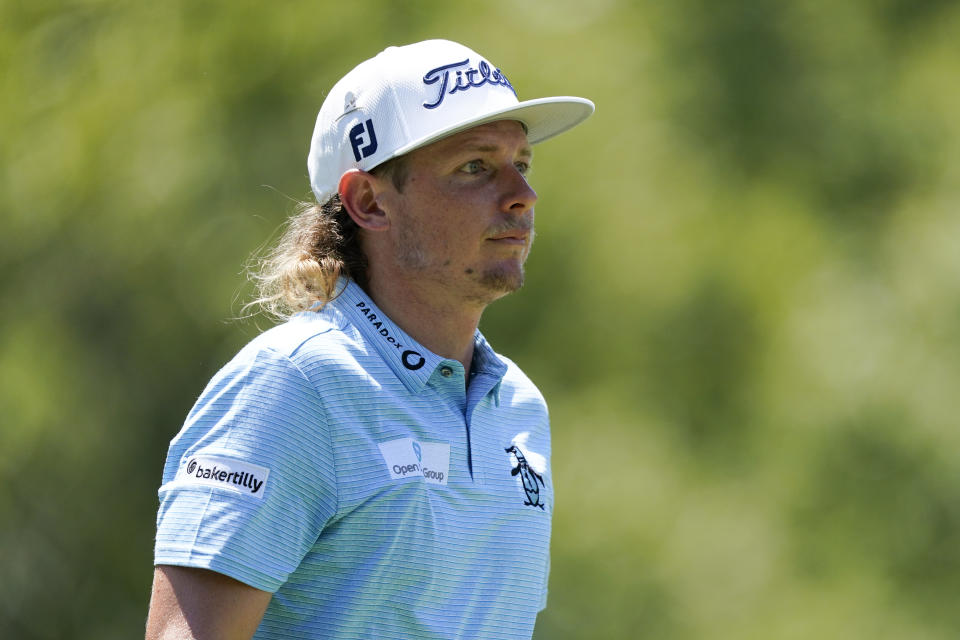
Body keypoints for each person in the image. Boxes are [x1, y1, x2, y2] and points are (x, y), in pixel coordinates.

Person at [145, 39, 594, 640]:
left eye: (522, 163)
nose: (522, 195)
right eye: (475, 167)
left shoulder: (517, 407)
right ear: (368, 201)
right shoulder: (294, 386)